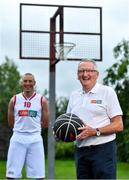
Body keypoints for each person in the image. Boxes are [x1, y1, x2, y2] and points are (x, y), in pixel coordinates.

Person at [66, 59, 123, 179]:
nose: (85, 74)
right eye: (81, 71)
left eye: (89, 71)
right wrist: (62, 134)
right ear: (77, 75)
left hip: (103, 150)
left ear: (97, 74)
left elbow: (118, 125)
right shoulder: (74, 96)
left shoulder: (107, 92)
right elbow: (69, 124)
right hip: (81, 152)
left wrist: (94, 131)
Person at [6, 73, 49, 180]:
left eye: (30, 81)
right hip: (18, 137)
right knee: (11, 175)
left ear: (34, 83)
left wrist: (34, 130)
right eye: (25, 81)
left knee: (39, 176)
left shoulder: (42, 100)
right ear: (22, 83)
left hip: (35, 138)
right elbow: (11, 123)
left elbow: (46, 123)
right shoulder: (14, 100)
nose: (27, 83)